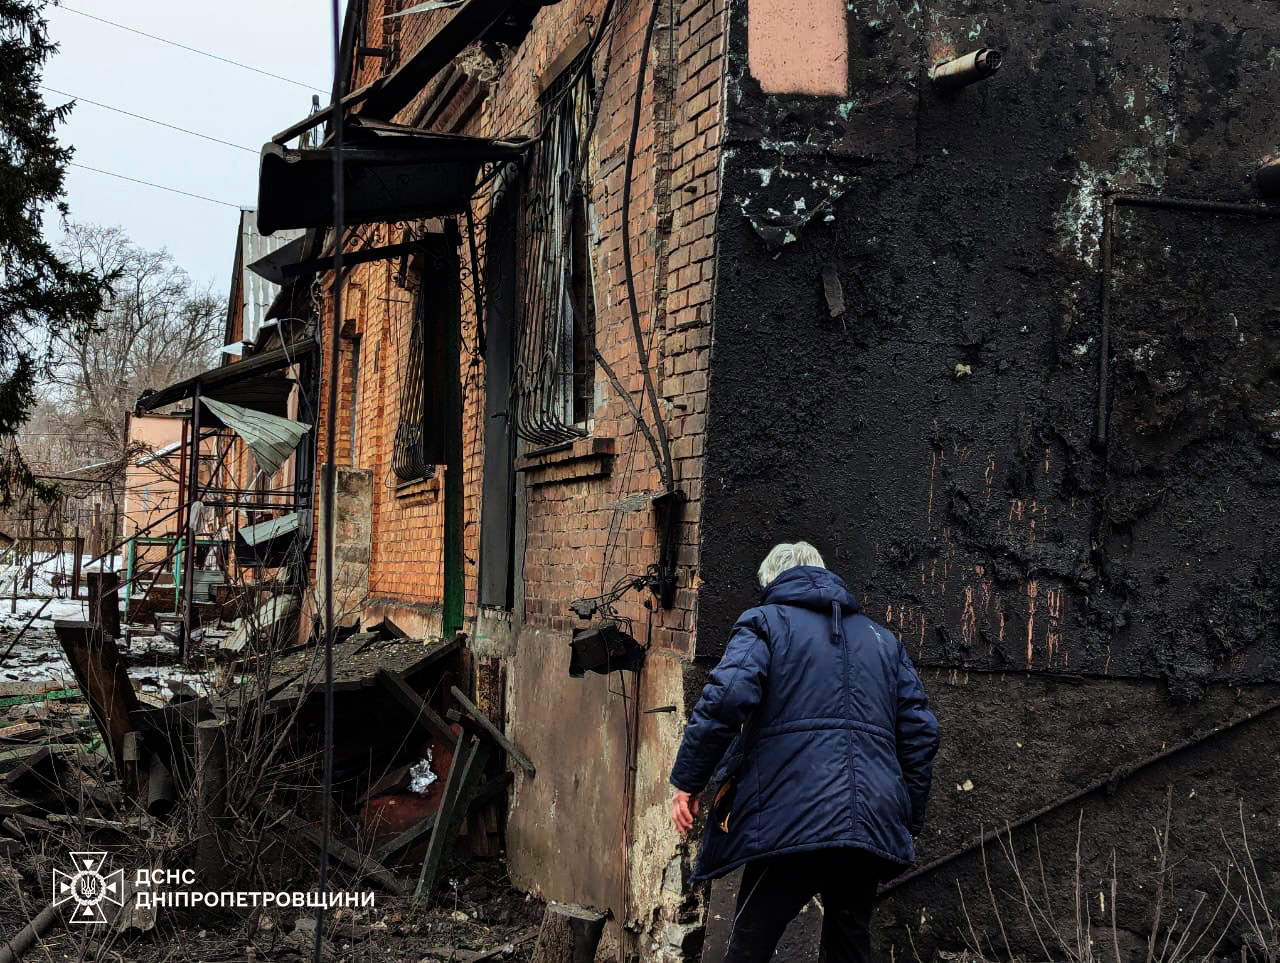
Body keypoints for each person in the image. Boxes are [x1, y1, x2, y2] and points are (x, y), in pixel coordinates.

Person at [669, 542, 940, 963]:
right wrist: (908, 816)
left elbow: (726, 700)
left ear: (771, 582)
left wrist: (688, 780)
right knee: (849, 947)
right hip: (868, 824)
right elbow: (921, 733)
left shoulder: (764, 623)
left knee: (749, 945)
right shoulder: (883, 641)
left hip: (793, 814)